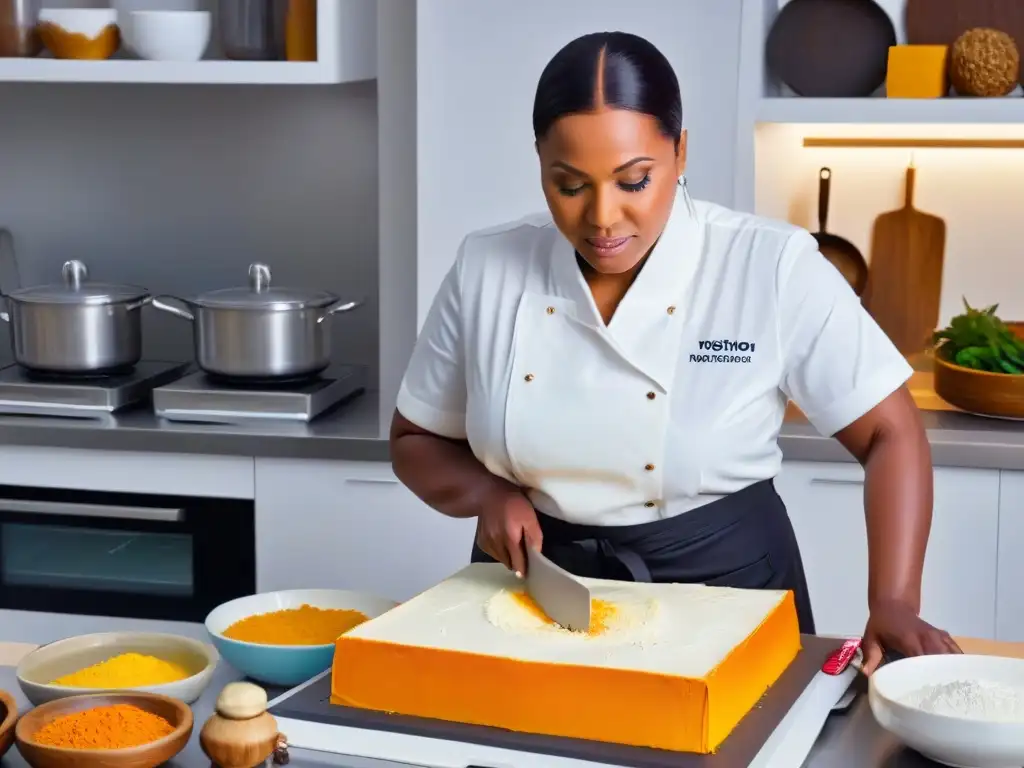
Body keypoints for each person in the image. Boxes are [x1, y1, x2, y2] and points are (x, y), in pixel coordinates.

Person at [390, 31, 960, 674]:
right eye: (569, 184)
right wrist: (484, 494)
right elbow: (414, 437)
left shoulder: (768, 265)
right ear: (539, 162)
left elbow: (891, 430)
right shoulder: (488, 266)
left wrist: (894, 598)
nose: (603, 217)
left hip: (725, 598)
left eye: (634, 180)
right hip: (533, 595)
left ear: (680, 150)